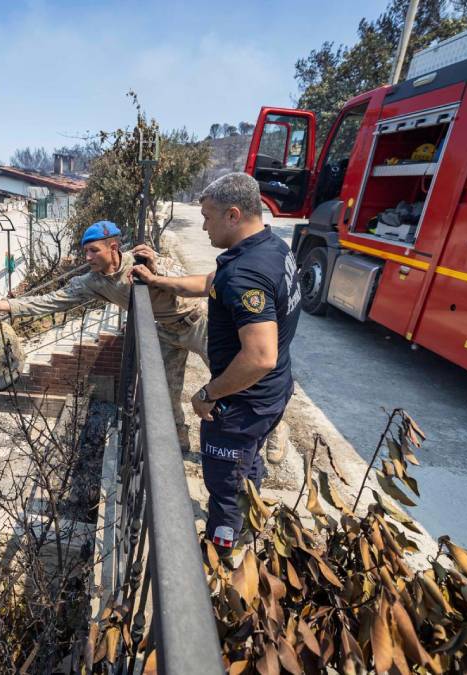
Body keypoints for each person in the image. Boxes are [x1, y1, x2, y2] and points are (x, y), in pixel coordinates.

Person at [131, 173, 300, 561]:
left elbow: (259, 356)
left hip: (242, 404)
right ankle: (249, 518)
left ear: (233, 215)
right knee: (247, 464)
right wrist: (160, 280)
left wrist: (208, 394)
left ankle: (222, 555)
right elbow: (213, 282)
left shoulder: (247, 274)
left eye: (208, 217)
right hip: (272, 392)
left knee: (224, 486)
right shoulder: (271, 248)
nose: (204, 225)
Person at [0, 220, 207, 451]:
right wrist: (3, 305)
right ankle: (179, 442)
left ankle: (227, 447)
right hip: (165, 331)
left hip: (196, 321)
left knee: (225, 379)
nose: (88, 257)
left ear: (113, 247)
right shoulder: (93, 282)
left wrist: (156, 269)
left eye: (94, 250)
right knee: (166, 394)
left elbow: (187, 279)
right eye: (86, 251)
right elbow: (50, 301)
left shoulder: (140, 260)